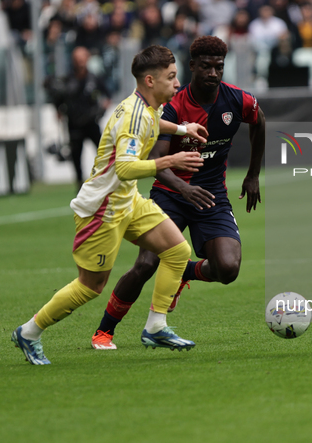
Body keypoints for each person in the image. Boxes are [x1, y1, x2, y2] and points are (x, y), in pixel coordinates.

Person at [12, 45, 208, 365]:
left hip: (127, 201)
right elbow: (125, 168)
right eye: (171, 77)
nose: (177, 83)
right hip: (102, 210)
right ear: (149, 80)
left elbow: (154, 124)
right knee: (91, 287)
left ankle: (156, 326)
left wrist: (183, 129)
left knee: (177, 251)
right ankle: (30, 331)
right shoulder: (134, 116)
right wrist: (169, 160)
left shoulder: (145, 105)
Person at [91, 35, 265, 350]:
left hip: (211, 196)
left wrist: (253, 175)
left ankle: (184, 272)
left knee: (228, 269)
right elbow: (156, 162)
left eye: (219, 67)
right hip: (171, 194)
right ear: (193, 66)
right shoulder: (173, 107)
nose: (213, 73)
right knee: (146, 264)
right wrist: (184, 188)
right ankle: (104, 331)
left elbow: (259, 121)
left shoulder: (238, 100)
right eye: (207, 67)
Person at [45, 46, 111, 191]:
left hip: (92, 122)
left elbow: (107, 94)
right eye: (77, 59)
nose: (80, 62)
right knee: (76, 156)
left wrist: (103, 108)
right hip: (74, 124)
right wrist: (58, 111)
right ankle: (79, 184)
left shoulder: (94, 78)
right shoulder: (67, 80)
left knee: (103, 152)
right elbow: (58, 98)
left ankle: (107, 179)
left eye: (82, 59)